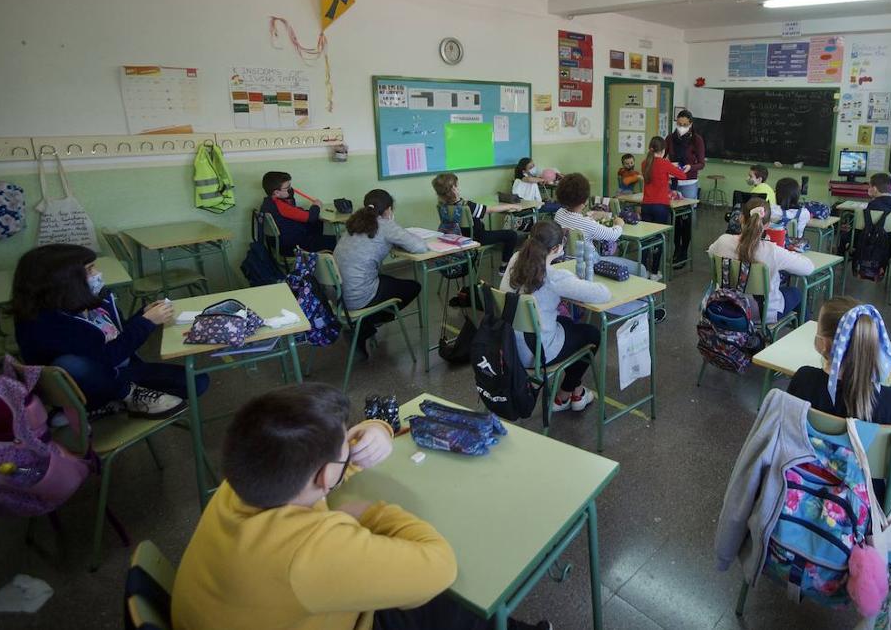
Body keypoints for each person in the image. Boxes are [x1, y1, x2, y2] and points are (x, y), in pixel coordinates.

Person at [171, 383, 549, 630]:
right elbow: (440, 567)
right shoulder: (307, 554)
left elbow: (318, 474)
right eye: (345, 447)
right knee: (442, 604)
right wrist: (368, 513)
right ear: (322, 476)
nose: (350, 448)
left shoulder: (243, 483)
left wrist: (378, 430)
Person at [789, 297, 891, 537]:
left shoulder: (803, 380)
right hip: (864, 501)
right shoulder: (889, 401)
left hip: (808, 481)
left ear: (822, 344)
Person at [12, 244, 204, 417]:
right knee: (70, 364)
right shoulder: (47, 325)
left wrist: (142, 315)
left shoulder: (96, 302)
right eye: (89, 270)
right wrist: (146, 323)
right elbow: (107, 359)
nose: (97, 273)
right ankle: (124, 395)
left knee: (198, 382)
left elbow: (117, 337)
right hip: (91, 387)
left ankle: (116, 401)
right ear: (64, 282)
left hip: (123, 370)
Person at [500, 222, 610, 414]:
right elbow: (603, 294)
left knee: (569, 325)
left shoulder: (515, 259)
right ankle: (564, 395)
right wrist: (572, 279)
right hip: (535, 354)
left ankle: (577, 392)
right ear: (557, 248)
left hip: (507, 346)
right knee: (591, 334)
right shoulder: (554, 277)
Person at [333, 189, 426, 359]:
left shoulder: (354, 223)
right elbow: (419, 247)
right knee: (412, 287)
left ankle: (361, 327)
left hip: (338, 297)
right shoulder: (385, 225)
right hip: (359, 297)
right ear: (388, 209)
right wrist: (392, 224)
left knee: (388, 281)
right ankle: (363, 329)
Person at [708, 198, 815, 323]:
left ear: (741, 218)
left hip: (726, 306)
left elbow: (710, 252)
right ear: (768, 225)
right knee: (796, 293)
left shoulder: (723, 241)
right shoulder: (773, 251)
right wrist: (789, 253)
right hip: (763, 313)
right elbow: (809, 268)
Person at [552, 172, 655, 283]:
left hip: (567, 262)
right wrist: (619, 224)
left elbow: (577, 222)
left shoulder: (559, 213)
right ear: (584, 201)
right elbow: (612, 235)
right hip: (591, 263)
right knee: (641, 269)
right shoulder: (587, 224)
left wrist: (590, 217)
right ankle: (642, 298)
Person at [431, 172, 522, 275]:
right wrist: (511, 206)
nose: (458, 188)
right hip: (476, 238)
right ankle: (503, 267)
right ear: (453, 190)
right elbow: (490, 210)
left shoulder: (442, 206)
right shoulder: (467, 206)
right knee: (511, 235)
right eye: (456, 186)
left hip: (457, 239)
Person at [639, 136, 688, 275]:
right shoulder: (664, 164)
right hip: (661, 206)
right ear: (664, 150)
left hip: (646, 205)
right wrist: (675, 170)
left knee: (645, 238)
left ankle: (643, 271)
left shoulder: (644, 163)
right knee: (658, 238)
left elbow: (654, 176)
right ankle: (654, 272)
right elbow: (682, 176)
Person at [664, 110, 705, 267]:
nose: (681, 127)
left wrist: (690, 166)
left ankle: (683, 252)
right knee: (675, 219)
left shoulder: (697, 140)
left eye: (685, 125)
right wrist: (668, 165)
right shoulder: (670, 138)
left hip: (689, 182)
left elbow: (701, 163)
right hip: (673, 183)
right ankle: (676, 250)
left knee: (685, 219)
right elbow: (662, 156)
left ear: (691, 124)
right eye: (679, 124)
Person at [260, 171, 336, 256]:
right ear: (277, 192)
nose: (291, 189)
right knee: (336, 241)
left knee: (317, 223)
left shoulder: (268, 202)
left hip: (284, 242)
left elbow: (294, 211)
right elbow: (310, 217)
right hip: (292, 247)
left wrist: (290, 197)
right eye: (287, 188)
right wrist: (316, 206)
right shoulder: (279, 205)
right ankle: (319, 258)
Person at [866, 172, 891, 248]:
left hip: (876, 240)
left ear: (874, 189)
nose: (868, 189)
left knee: (845, 236)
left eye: (869, 186)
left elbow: (867, 225)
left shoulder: (873, 204)